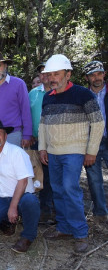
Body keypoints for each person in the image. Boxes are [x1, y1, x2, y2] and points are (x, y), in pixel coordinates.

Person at [39, 55, 104, 253]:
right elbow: (42, 125)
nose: (52, 78)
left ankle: (80, 232)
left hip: (75, 151)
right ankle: (64, 227)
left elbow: (98, 123)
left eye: (56, 74)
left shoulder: (83, 94)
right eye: (49, 74)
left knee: (69, 188)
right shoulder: (47, 97)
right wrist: (42, 147)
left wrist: (91, 151)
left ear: (68, 74)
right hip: (53, 152)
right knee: (57, 189)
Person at [0, 120, 40, 253]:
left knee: (31, 201)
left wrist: (13, 206)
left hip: (22, 195)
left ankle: (27, 237)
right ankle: (9, 222)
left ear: (6, 136)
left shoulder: (17, 153)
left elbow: (23, 182)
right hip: (2, 198)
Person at [0, 51, 33, 148]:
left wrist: (27, 135)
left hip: (13, 135)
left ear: (5, 66)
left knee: (14, 163)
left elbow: (25, 110)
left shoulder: (19, 84)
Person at [82, 60, 108, 224]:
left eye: (99, 73)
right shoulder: (83, 96)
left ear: (104, 74)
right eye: (92, 75)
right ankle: (100, 214)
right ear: (87, 78)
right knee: (94, 179)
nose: (96, 77)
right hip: (92, 143)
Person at [28, 63, 54, 223]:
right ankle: (44, 210)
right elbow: (26, 114)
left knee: (54, 177)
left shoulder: (58, 91)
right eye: (41, 73)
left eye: (46, 72)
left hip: (56, 142)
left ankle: (57, 209)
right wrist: (28, 133)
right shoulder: (33, 93)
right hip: (36, 141)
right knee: (40, 176)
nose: (43, 75)